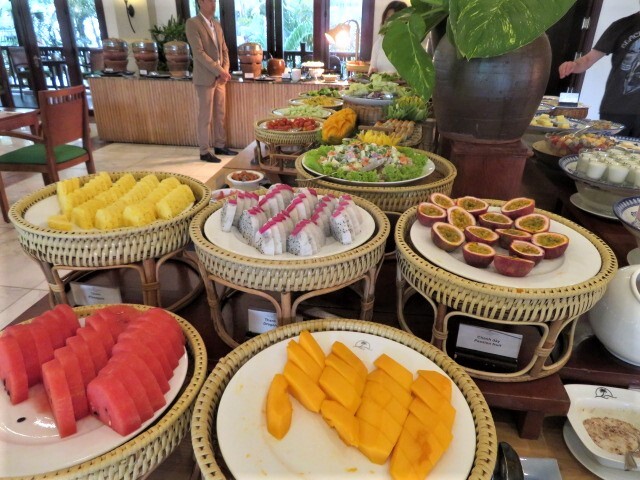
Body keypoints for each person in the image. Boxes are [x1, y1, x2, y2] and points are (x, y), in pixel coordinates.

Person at [558, 10, 640, 137]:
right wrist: (574, 65)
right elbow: (588, 59)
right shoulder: (621, 26)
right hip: (616, 110)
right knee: (608, 148)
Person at [186, 0, 237, 163]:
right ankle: (204, 151)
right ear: (200, 2)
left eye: (214, 1)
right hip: (205, 78)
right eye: (210, 0)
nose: (213, 4)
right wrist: (219, 70)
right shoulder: (192, 23)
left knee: (220, 114)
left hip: (220, 78)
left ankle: (220, 145)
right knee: (205, 116)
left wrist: (225, 70)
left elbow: (224, 50)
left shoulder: (217, 25)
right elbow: (199, 53)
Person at [368, 1, 408, 75]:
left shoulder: (410, 45)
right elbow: (372, 69)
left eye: (394, 19)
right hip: (381, 82)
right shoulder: (379, 43)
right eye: (387, 19)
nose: (390, 22)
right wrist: (373, 71)